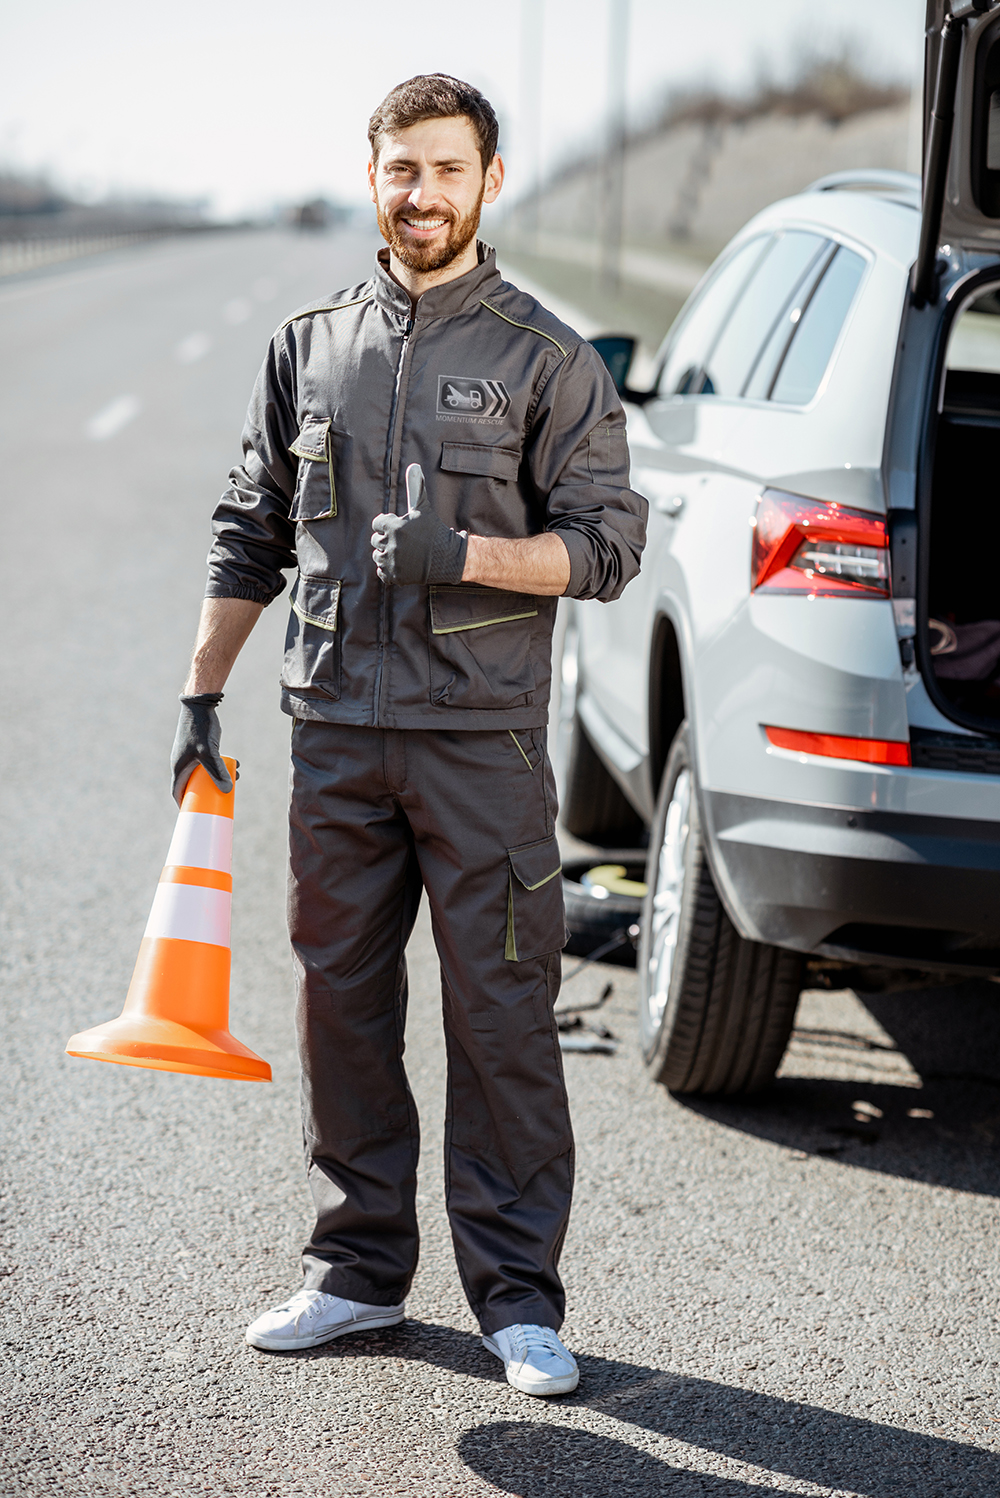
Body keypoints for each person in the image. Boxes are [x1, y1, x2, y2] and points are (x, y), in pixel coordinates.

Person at [171, 74, 647, 1398]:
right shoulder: (310, 343)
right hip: (333, 735)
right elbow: (247, 527)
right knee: (341, 1012)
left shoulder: (547, 358)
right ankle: (358, 1271)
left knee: (501, 1020)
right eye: (401, 169)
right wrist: (203, 693)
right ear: (372, 174)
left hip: (478, 744)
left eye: (447, 169)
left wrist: (467, 556)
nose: (421, 193)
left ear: (490, 180)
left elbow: (609, 549)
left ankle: (518, 1301)